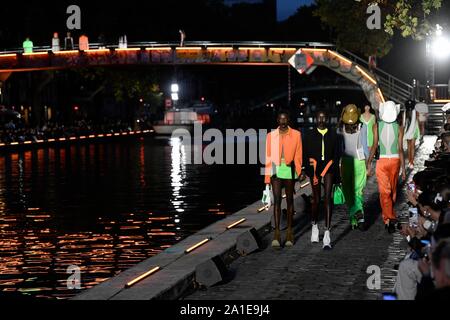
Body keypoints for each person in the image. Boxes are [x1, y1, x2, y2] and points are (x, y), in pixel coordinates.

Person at [303, 108, 341, 249]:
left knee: (328, 199)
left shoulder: (333, 135)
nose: (321, 120)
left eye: (323, 117)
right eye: (319, 117)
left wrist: (338, 176)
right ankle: (314, 225)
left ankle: (327, 233)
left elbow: (337, 156)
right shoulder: (309, 135)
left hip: (329, 168)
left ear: (326, 119)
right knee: (316, 200)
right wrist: (308, 171)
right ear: (315, 119)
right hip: (315, 169)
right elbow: (305, 155)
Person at [264, 110, 303, 248]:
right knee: (277, 202)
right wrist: (267, 178)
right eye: (281, 119)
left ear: (288, 120)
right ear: (277, 120)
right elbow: (268, 157)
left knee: (290, 201)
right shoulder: (271, 136)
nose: (283, 121)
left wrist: (299, 171)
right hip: (276, 170)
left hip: (289, 170)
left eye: (285, 119)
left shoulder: (296, 135)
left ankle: (290, 233)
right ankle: (276, 233)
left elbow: (298, 154)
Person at [367, 101, 406, 233]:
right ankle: (390, 217)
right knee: (391, 192)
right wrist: (404, 168)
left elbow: (374, 146)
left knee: (386, 192)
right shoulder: (400, 127)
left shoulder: (376, 126)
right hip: (395, 161)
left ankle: (388, 219)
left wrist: (368, 162)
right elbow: (400, 149)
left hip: (382, 162)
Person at [339, 104, 367, 230]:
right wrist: (369, 163)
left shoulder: (340, 129)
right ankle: (358, 214)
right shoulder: (363, 127)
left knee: (348, 191)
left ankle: (354, 218)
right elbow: (365, 147)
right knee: (358, 191)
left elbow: (339, 148)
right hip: (360, 162)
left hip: (346, 161)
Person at [403, 99, 420, 169]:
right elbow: (417, 120)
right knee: (411, 147)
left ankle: (411, 161)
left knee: (410, 146)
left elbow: (404, 123)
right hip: (413, 129)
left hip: (408, 130)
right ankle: (411, 161)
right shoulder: (415, 111)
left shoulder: (405, 112)